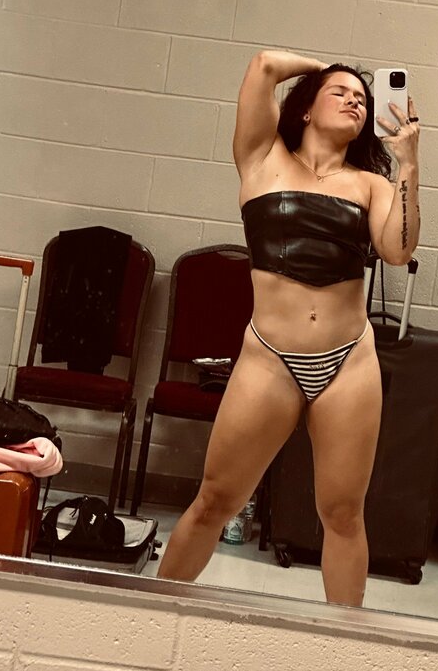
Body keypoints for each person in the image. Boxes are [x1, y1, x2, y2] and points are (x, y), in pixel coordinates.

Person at [157, 49, 421, 606]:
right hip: (270, 356)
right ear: (304, 108)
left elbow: (398, 250)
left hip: (348, 361)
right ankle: (153, 615)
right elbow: (263, 66)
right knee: (215, 500)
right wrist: (327, 68)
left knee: (343, 514)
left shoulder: (371, 185)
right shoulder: (262, 157)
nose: (355, 101)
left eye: (363, 99)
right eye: (340, 93)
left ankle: (341, 642)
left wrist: (408, 167)